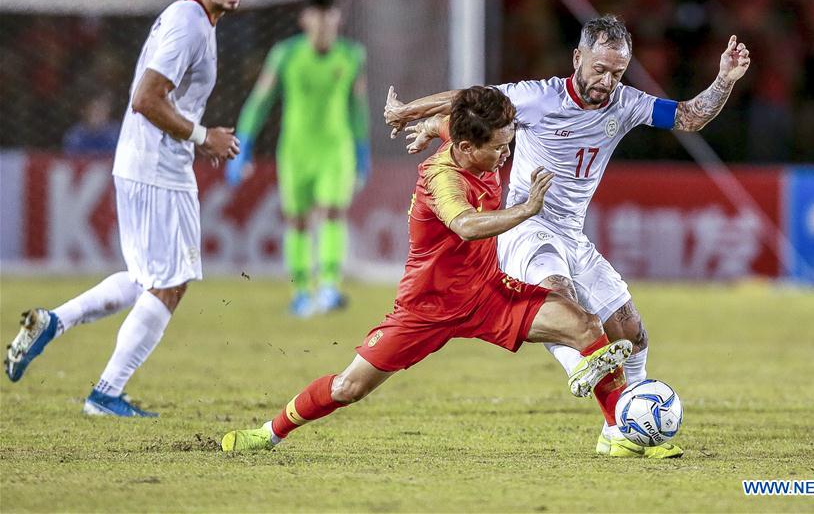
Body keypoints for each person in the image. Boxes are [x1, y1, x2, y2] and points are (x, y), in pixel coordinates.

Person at [385, 15, 751, 458]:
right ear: (578, 57)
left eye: (617, 71)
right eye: (599, 68)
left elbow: (688, 117)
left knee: (632, 335)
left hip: (572, 234)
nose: (607, 80)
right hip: (525, 227)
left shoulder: (626, 103)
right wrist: (412, 112)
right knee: (562, 299)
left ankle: (624, 430)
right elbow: (470, 101)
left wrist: (724, 80)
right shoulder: (538, 97)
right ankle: (579, 365)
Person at [220, 86, 633, 452]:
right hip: (426, 308)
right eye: (500, 147)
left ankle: (619, 435)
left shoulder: (468, 139)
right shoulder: (443, 179)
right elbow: (467, 226)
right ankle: (269, 433)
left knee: (585, 324)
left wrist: (421, 122)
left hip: (487, 293)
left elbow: (444, 121)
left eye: (510, 143)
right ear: (469, 147)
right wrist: (526, 209)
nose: (507, 155)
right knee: (349, 387)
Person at [4, 0, 248, 417]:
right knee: (170, 282)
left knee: (146, 279)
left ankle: (52, 322)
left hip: (146, 163)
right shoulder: (189, 24)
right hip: (157, 167)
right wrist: (204, 137)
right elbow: (146, 98)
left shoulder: (193, 20)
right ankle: (105, 393)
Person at [225, 0, 370, 317]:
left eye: (328, 16)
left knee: (334, 211)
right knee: (298, 221)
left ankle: (330, 286)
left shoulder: (352, 55)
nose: (322, 24)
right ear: (305, 20)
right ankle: (302, 292)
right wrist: (243, 142)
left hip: (336, 148)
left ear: (337, 20)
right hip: (295, 150)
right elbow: (260, 100)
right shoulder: (286, 54)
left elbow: (358, 106)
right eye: (317, 17)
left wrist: (362, 149)